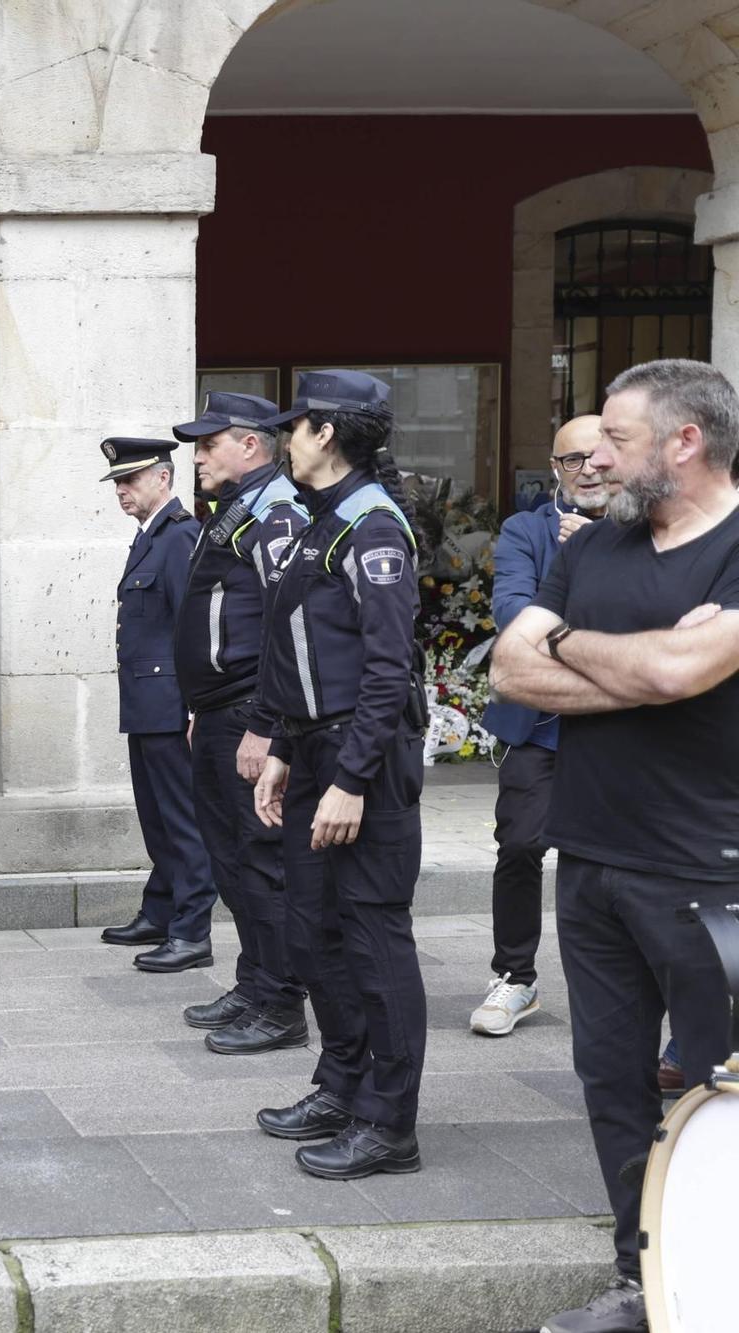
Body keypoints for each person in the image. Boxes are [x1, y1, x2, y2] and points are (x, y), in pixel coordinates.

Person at [489, 359, 739, 1333]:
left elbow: (682, 663)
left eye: (615, 438)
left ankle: (720, 1290)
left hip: (705, 871)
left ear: (684, 441)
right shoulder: (593, 544)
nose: (593, 455)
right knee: (610, 1083)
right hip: (586, 859)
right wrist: (647, 672)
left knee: (718, 1095)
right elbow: (512, 665)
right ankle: (647, 1282)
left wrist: (577, 650)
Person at [251, 370, 428, 1183]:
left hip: (366, 760)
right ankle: (343, 1083)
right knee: (315, 930)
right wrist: (286, 747)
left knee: (372, 937)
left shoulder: (373, 528)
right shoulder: (329, 519)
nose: (285, 438)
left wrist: (351, 779)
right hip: (321, 751)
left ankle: (389, 1123)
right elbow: (305, 655)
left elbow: (389, 673)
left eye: (295, 426)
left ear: (325, 433)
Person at [169, 394, 312, 1052]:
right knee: (231, 858)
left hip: (250, 715)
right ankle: (255, 980)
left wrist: (264, 723)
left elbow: (288, 623)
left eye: (208, 442)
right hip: (222, 714)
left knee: (260, 859)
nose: (196, 454)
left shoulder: (276, 511)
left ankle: (281, 1001)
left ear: (250, 446)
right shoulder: (240, 506)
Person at [471, 414, 606, 1038]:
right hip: (540, 726)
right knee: (521, 845)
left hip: (619, 727)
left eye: (597, 456)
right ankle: (515, 976)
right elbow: (513, 614)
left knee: (607, 862)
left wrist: (596, 560)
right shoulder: (526, 529)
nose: (587, 470)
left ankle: (613, 984)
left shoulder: (651, 530)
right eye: (571, 460)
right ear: (555, 470)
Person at [96, 439, 218, 974]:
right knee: (156, 818)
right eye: (117, 482)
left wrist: (195, 709)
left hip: (170, 705)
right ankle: (162, 909)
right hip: (147, 702)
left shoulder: (178, 538)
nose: (121, 491)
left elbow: (191, 630)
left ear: (163, 480)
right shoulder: (150, 538)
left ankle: (192, 932)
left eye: (131, 480)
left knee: (181, 820)